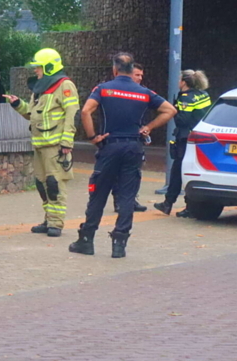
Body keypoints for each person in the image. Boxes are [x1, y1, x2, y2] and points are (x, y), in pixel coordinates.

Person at [70, 52, 176, 258]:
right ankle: (119, 244)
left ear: (115, 69)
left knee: (99, 193)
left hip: (110, 147)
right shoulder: (144, 92)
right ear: (131, 69)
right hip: (133, 147)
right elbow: (169, 110)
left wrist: (93, 137)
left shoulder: (103, 89)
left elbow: (85, 111)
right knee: (128, 196)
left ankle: (86, 240)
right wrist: (148, 127)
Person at [3, 48, 79, 238]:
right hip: (39, 145)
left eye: (38, 67)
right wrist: (18, 104)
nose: (35, 70)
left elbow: (72, 115)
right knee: (42, 184)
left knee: (55, 184)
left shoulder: (65, 85)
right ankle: (48, 219)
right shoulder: (41, 88)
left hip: (55, 147)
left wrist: (67, 141)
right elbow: (33, 114)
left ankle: (56, 223)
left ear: (49, 67)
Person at [154, 70, 212, 216]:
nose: (178, 81)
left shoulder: (186, 98)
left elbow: (182, 120)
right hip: (201, 137)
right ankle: (187, 206)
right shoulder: (203, 94)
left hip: (186, 138)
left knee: (178, 171)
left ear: (184, 82)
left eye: (180, 79)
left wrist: (174, 111)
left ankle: (171, 204)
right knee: (192, 170)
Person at [112, 62, 148, 213]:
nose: (140, 78)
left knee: (135, 172)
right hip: (118, 138)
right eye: (137, 75)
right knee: (118, 172)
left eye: (141, 75)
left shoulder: (142, 92)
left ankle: (131, 200)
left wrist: (146, 128)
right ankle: (119, 201)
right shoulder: (116, 92)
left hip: (136, 139)